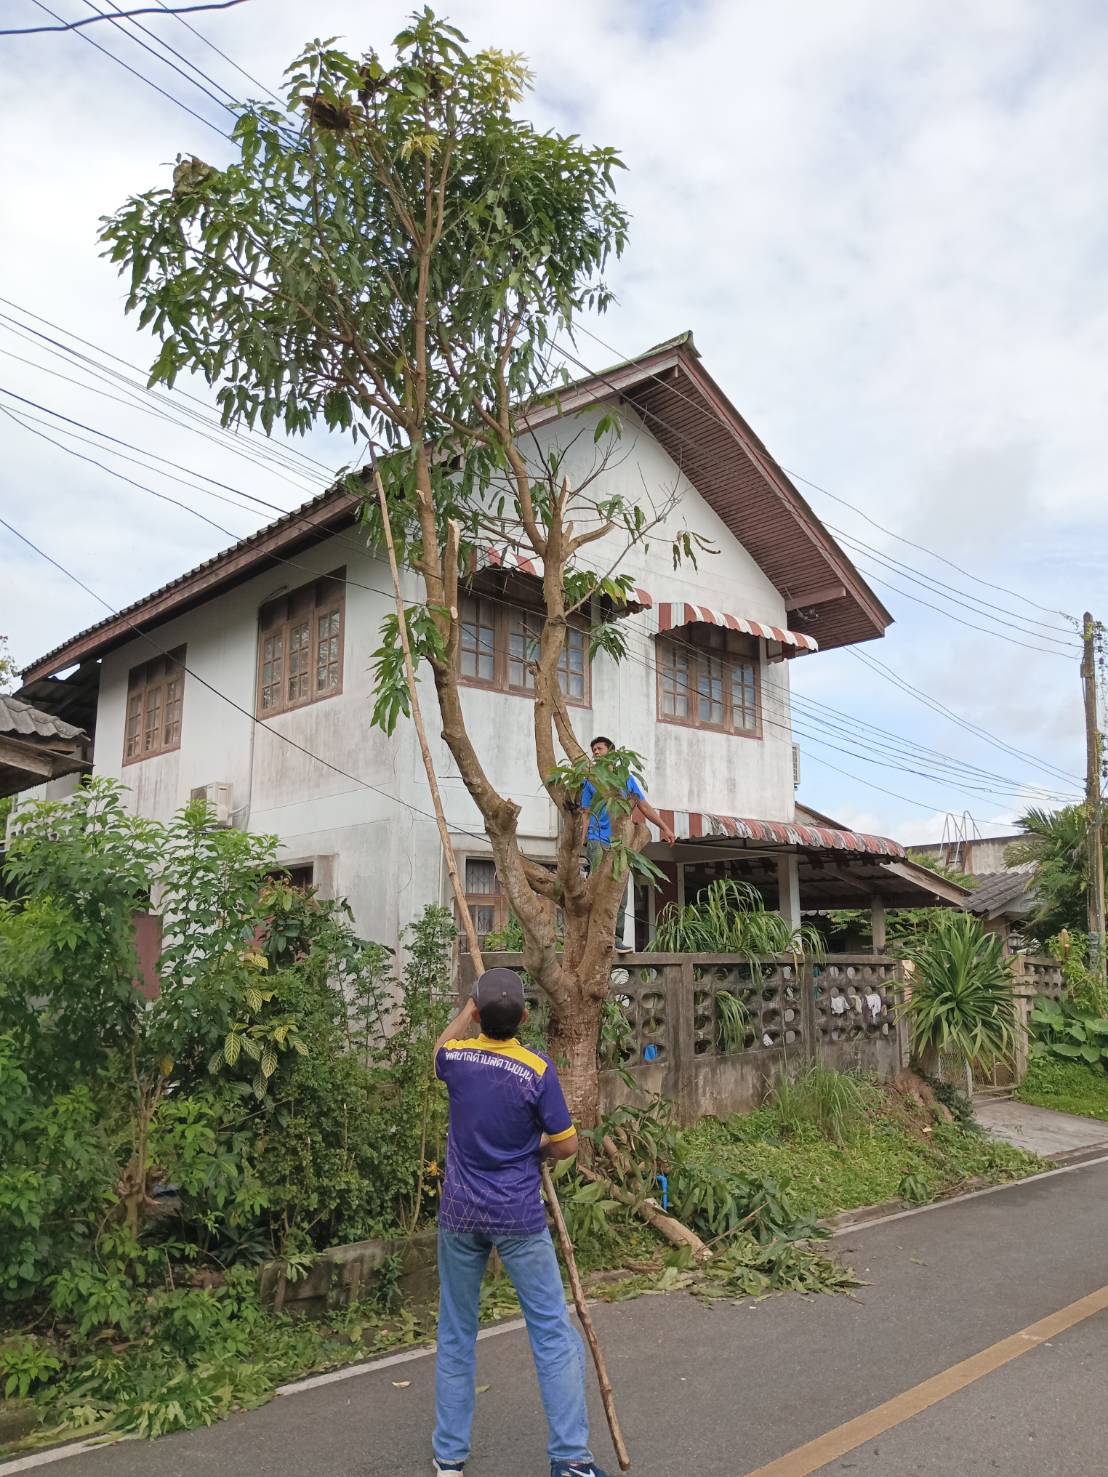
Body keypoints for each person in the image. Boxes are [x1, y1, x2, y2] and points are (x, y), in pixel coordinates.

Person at [431, 967, 613, 1477]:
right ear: (525, 1016)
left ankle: (448, 1458)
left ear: (477, 1013)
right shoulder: (537, 1070)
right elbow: (568, 1144)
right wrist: (535, 1148)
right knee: (552, 1331)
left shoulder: (458, 1060)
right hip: (517, 1215)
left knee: (456, 1332)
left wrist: (464, 1013)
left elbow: (439, 1048)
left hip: (460, 1215)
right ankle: (571, 1459)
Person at [578, 735, 676, 953]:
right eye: (593, 749)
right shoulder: (590, 779)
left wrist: (665, 827)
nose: (595, 751)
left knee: (620, 892)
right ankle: (593, 936)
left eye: (600, 748)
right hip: (597, 840)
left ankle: (615, 938)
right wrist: (581, 842)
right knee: (597, 889)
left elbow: (644, 807)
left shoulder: (626, 778)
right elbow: (585, 813)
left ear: (611, 751)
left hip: (620, 845)